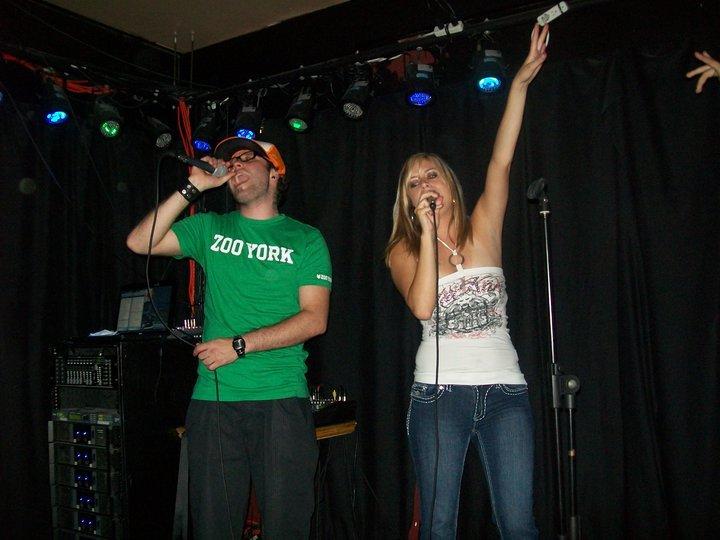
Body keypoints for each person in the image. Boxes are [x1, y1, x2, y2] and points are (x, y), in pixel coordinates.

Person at [385, 24, 549, 539]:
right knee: (439, 524)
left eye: (431, 175)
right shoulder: (402, 249)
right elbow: (422, 307)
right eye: (413, 183)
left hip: (505, 391)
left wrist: (518, 84)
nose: (424, 184)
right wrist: (427, 233)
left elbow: (502, 160)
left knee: (518, 524)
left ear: (450, 187)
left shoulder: (484, 228)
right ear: (408, 200)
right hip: (439, 396)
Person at [126, 137, 332, 539]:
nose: (235, 166)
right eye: (231, 160)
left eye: (246, 158)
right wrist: (194, 186)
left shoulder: (306, 238)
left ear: (275, 173)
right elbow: (139, 242)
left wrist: (240, 345)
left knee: (287, 527)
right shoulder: (210, 227)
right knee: (212, 526)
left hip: (280, 398)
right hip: (214, 401)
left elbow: (314, 319)